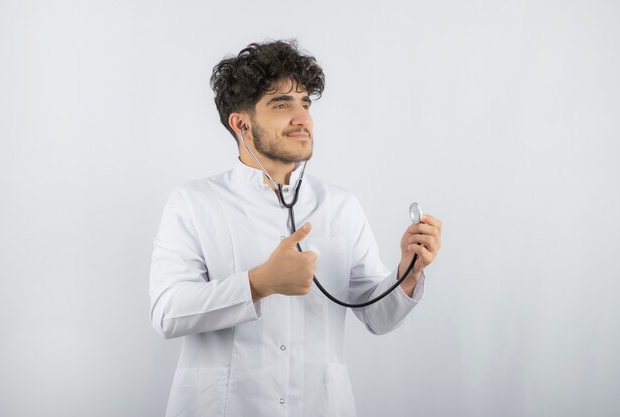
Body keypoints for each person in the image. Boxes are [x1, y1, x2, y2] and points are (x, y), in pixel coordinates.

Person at [149, 39, 442, 417]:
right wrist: (259, 283)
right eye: (281, 104)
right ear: (241, 124)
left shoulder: (340, 204)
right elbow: (167, 313)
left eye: (304, 103)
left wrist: (408, 271)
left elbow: (377, 316)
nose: (302, 118)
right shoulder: (192, 202)